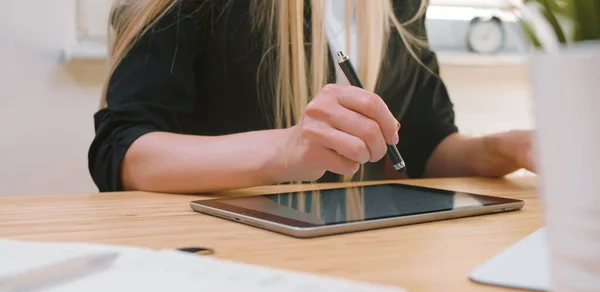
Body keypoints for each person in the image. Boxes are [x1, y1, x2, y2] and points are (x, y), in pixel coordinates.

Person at [88, 0, 535, 194]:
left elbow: (421, 147)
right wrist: (287, 149)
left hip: (352, 250)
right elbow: (125, 153)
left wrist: (504, 148)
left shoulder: (401, 8)